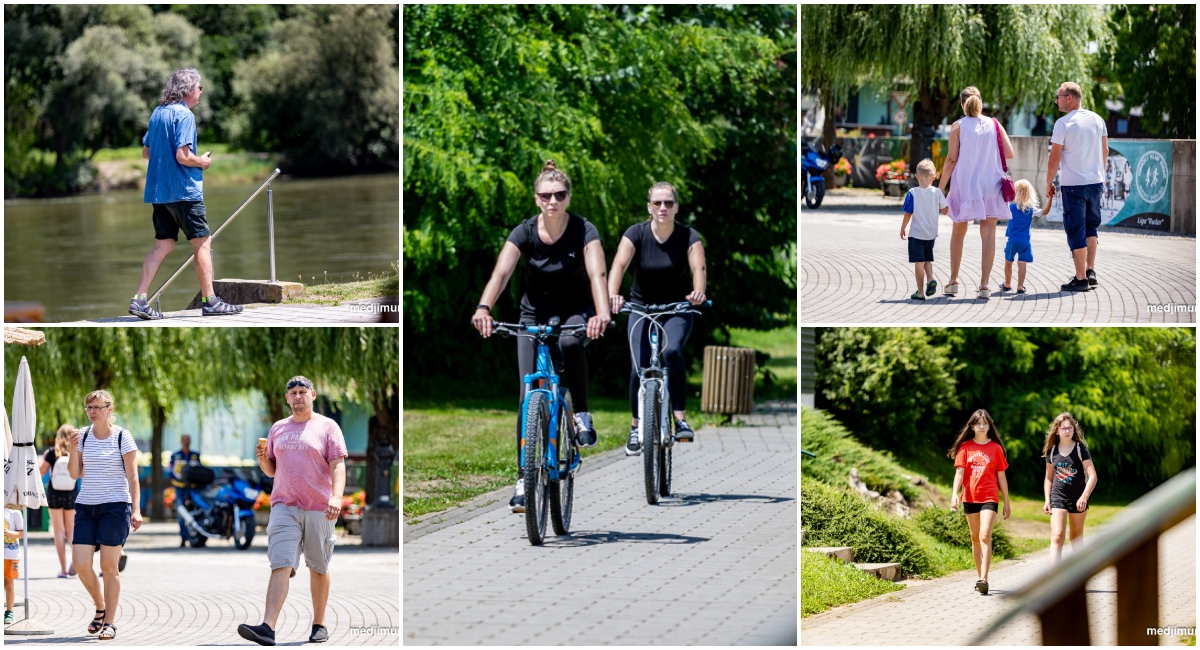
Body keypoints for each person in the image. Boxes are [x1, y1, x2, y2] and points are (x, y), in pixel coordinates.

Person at [471, 160, 611, 513]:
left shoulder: (583, 230)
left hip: (574, 312)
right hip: (532, 314)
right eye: (546, 195)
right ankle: (523, 478)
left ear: (568, 197)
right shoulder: (524, 232)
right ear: (536, 199)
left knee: (568, 343)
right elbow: (501, 273)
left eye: (560, 195)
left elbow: (597, 274)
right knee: (526, 394)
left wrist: (602, 312)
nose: (553, 201)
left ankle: (581, 414)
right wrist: (484, 308)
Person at [238, 376, 347, 646]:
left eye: (302, 392)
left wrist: (336, 496)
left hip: (319, 507)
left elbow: (338, 466)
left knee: (318, 566)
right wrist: (263, 460)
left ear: (313, 395)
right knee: (281, 564)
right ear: (287, 398)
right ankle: (267, 628)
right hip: (284, 506)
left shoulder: (327, 427)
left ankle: (319, 624)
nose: (298, 397)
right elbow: (272, 470)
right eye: (293, 393)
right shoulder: (278, 428)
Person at [128, 68, 243, 320]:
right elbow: (183, 156)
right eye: (200, 88)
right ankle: (210, 301)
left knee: (163, 244)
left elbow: (146, 153)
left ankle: (139, 300)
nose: (201, 92)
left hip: (160, 194)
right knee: (202, 242)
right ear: (190, 90)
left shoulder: (157, 114)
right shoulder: (185, 115)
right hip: (184, 193)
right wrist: (201, 162)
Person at [608, 181, 708, 455]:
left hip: (677, 307)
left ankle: (680, 419)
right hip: (640, 307)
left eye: (668, 203)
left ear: (676, 207)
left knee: (672, 352)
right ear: (649, 207)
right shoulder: (635, 234)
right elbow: (619, 264)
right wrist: (613, 294)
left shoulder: (688, 236)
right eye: (657, 203)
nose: (663, 207)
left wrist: (698, 292)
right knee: (637, 369)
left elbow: (698, 266)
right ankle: (635, 426)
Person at [67, 390, 142, 640]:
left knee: (108, 566)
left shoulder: (123, 437)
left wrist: (137, 510)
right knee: (80, 564)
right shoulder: (84, 435)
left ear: (109, 409)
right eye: (88, 407)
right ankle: (100, 606)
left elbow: (133, 477)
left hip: (115, 507)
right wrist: (71, 450)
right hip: (86, 506)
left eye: (97, 407)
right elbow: (75, 474)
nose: (92, 412)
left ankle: (109, 622)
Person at [938, 86, 1014, 299]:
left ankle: (953, 281)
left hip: (966, 185)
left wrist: (941, 187)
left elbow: (951, 159)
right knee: (988, 235)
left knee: (958, 232)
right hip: (992, 185)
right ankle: (984, 285)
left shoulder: (958, 126)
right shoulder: (995, 124)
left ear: (962, 104)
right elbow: (1010, 153)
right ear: (980, 102)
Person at [1046, 81, 1108, 293]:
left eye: (1058, 97)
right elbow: (1105, 150)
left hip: (1074, 186)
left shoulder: (1063, 124)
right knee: (1091, 227)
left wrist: (1048, 183)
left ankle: (1080, 279)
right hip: (1095, 183)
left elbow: (1054, 157)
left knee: (1076, 230)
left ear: (1069, 98)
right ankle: (1090, 272)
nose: (1056, 101)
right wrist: (1100, 173)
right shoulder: (1098, 120)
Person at [948, 409, 1011, 596]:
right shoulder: (965, 448)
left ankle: (984, 579)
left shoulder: (996, 449)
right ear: (972, 426)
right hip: (969, 497)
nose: (982, 426)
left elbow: (1002, 476)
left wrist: (1007, 502)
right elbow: (959, 473)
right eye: (978, 424)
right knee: (975, 538)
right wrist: (954, 495)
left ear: (989, 426)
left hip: (990, 497)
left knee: (984, 535)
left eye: (985, 423)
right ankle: (980, 579)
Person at [1042, 412, 1098, 563]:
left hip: (1078, 498)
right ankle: (1055, 578)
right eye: (1064, 428)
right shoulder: (1052, 451)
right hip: (1058, 498)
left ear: (1074, 430)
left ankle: (1079, 577)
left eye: (1070, 428)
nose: (1067, 431)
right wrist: (1047, 500)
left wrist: (1084, 497)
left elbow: (1092, 476)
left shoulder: (1080, 449)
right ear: (1057, 430)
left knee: (1076, 539)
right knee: (1057, 536)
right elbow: (1048, 478)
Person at [900, 159, 949, 301]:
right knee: (927, 259)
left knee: (918, 263)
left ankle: (920, 292)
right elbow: (945, 211)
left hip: (916, 234)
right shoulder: (938, 192)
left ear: (917, 176)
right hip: (931, 234)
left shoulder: (913, 192)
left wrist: (903, 227)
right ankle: (931, 278)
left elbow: (908, 213)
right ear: (935, 177)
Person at [39, 425, 81, 578]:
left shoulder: (51, 453)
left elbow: (40, 472)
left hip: (54, 494)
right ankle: (78, 559)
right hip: (71, 494)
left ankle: (63, 570)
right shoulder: (75, 453)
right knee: (71, 530)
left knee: (58, 531)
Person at [1000, 180, 1053, 294]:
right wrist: (1050, 199)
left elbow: (1000, 204)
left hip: (1012, 240)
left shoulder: (1010, 207)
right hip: (1025, 241)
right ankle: (1020, 287)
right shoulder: (1031, 209)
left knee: (1008, 262)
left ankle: (1007, 284)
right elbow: (1045, 211)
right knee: (1022, 263)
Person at [169, 434, 202, 547]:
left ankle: (196, 537)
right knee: (182, 512)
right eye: (184, 439)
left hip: (193, 488)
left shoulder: (195, 456)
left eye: (188, 439)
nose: (186, 441)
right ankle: (183, 537)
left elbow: (199, 470)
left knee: (196, 511)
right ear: (181, 441)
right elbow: (171, 472)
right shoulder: (176, 456)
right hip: (180, 488)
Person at [4, 505, 24, 624]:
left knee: (9, 584)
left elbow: (22, 533)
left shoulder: (14, 512)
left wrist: (8, 533)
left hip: (11, 554)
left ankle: (9, 611)